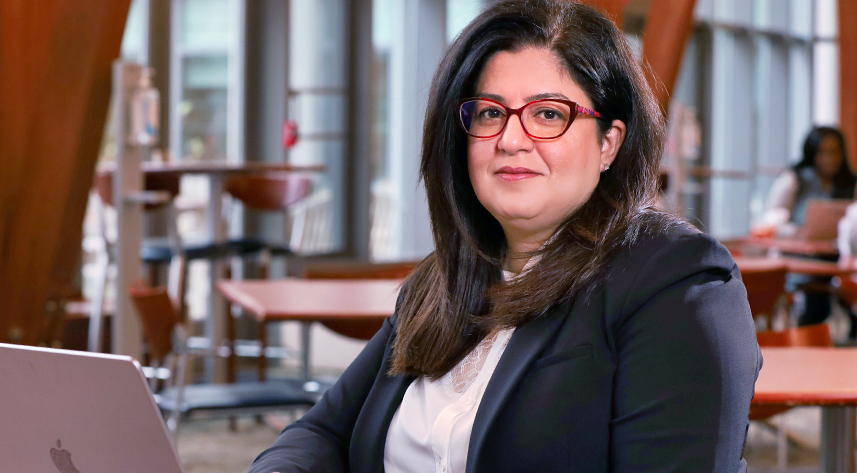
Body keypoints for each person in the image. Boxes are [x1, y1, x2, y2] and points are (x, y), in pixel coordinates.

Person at [250, 1, 761, 472]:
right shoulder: (442, 279)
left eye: (548, 115)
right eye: (491, 113)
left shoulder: (677, 281)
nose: (512, 140)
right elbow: (322, 431)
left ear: (609, 142)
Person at [757, 127, 855, 328]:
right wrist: (797, 232)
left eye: (834, 152)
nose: (829, 158)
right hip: (801, 257)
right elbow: (770, 221)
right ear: (812, 154)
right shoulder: (795, 179)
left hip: (839, 256)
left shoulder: (850, 183)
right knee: (814, 296)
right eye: (823, 152)